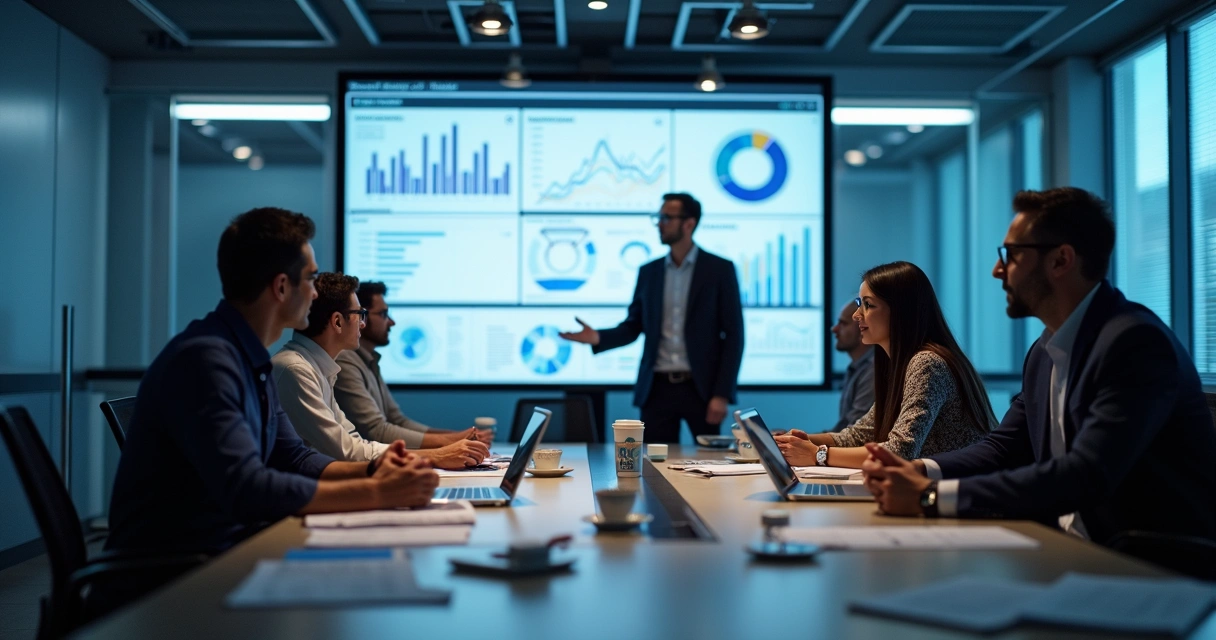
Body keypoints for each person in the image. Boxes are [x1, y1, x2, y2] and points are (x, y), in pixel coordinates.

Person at [861, 188, 1216, 547]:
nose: (997, 269)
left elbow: (1086, 474)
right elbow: (1003, 448)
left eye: (1011, 255)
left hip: (1143, 567)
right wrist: (916, 471)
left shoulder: (1134, 343)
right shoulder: (1044, 351)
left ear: (1061, 261)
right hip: (1063, 549)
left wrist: (930, 497)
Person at [107, 207, 439, 560]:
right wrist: (377, 493)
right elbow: (248, 489)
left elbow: (294, 457)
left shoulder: (250, 358)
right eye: (310, 279)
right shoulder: (206, 360)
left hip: (227, 552)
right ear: (282, 286)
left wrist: (374, 469)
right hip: (175, 576)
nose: (315, 294)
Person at [559, 193, 744, 443]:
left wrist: (722, 394)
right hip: (657, 389)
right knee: (653, 469)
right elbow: (634, 326)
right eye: (659, 217)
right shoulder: (650, 272)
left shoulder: (719, 269)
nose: (659, 223)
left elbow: (734, 336)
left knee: (709, 465)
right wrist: (598, 337)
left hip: (701, 389)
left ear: (689, 223)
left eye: (666, 217)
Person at [775, 262, 996, 469]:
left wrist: (817, 455)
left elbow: (899, 452)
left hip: (964, 497)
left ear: (901, 312)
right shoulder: (900, 365)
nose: (856, 315)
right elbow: (857, 437)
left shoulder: (927, 363)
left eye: (868, 305)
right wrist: (793, 443)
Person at [272, 273, 488, 468]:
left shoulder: (317, 367)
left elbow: (355, 444)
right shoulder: (296, 369)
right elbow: (346, 452)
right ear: (337, 322)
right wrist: (436, 456)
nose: (362, 324)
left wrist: (437, 453)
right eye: (360, 314)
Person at [334, 281, 494, 450]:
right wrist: (452, 441)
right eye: (383, 314)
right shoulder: (346, 361)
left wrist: (456, 437)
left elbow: (396, 420)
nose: (391, 322)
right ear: (361, 317)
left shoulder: (369, 360)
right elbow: (376, 430)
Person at [830, 299, 875, 432]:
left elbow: (855, 434)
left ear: (862, 327)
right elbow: (844, 428)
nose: (834, 329)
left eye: (843, 323)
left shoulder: (873, 370)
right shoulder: (856, 368)